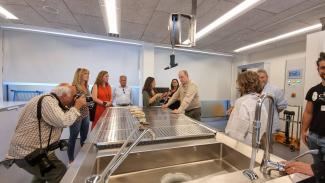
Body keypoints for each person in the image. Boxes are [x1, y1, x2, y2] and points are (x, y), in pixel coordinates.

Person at [6, 84, 86, 183]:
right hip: (28, 152)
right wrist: (77, 106)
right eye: (74, 96)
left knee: (42, 175)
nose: (75, 99)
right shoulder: (47, 101)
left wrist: (77, 107)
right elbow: (63, 121)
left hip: (38, 150)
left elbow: (71, 118)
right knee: (59, 173)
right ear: (64, 96)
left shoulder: (54, 102)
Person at [225, 71, 268, 145]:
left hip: (241, 145)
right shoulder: (259, 100)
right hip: (255, 142)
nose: (237, 86)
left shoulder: (242, 102)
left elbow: (235, 132)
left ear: (243, 84)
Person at [301, 52, 325, 165]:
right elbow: (308, 113)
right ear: (318, 69)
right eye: (323, 68)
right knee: (317, 168)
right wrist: (304, 131)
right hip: (313, 137)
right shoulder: (313, 90)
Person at [67, 68, 90, 163]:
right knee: (73, 137)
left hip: (86, 114)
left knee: (84, 137)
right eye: (86, 74)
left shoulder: (86, 86)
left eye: (88, 74)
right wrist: (78, 102)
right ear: (79, 75)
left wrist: (89, 102)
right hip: (76, 115)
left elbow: (88, 100)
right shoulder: (73, 87)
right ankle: (71, 159)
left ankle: (83, 155)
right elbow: (68, 103)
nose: (88, 75)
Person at [257, 69, 288, 133]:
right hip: (258, 123)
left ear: (267, 77)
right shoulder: (255, 89)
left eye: (262, 77)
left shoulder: (275, 89)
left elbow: (282, 106)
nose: (260, 79)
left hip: (270, 123)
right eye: (258, 78)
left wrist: (272, 112)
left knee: (268, 141)